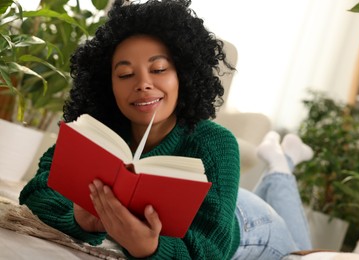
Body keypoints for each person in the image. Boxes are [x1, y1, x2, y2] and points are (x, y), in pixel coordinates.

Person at [19, 0, 313, 259]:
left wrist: (149, 249)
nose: (143, 83)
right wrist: (81, 219)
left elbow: (211, 252)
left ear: (183, 75)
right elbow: (36, 191)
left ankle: (280, 166)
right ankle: (281, 160)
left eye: (158, 69)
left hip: (252, 226)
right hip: (230, 200)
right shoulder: (96, 131)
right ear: (108, 83)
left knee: (306, 252)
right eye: (125, 74)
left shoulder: (215, 143)